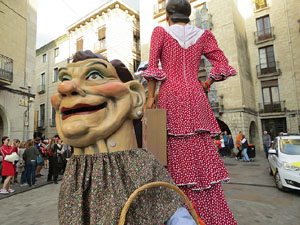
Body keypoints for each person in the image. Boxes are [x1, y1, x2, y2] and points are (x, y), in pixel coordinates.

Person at [50, 50, 199, 224]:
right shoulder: (75, 171)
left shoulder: (140, 163)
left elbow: (169, 209)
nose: (65, 87)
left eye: (95, 75)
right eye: (65, 79)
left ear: (135, 97)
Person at [142, 0, 237, 224]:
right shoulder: (203, 35)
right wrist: (207, 84)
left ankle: (179, 210)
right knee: (198, 145)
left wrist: (149, 98)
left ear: (167, 15)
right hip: (195, 94)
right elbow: (222, 64)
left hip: (171, 94)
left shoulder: (161, 32)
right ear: (189, 14)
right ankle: (206, 211)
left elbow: (153, 67)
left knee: (171, 146)